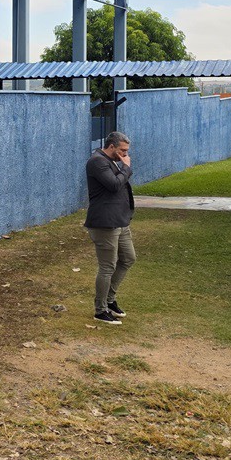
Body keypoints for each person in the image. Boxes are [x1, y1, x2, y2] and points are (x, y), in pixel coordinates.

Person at [84, 131, 136, 325]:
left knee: (129, 258)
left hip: (120, 220)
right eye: (122, 150)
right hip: (104, 222)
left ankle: (109, 299)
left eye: (127, 151)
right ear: (111, 146)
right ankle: (100, 309)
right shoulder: (97, 161)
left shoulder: (113, 161)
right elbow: (114, 185)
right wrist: (126, 168)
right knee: (107, 266)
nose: (125, 154)